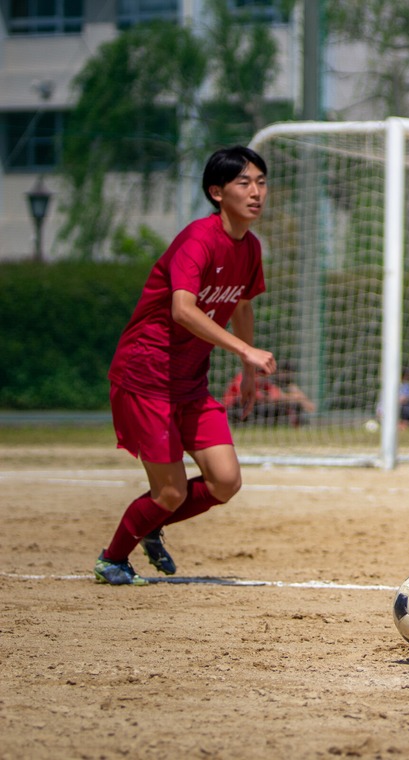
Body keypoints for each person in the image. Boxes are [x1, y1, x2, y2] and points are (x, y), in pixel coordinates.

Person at [95, 146, 274, 586]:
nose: (256, 192)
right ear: (216, 192)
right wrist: (244, 352)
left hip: (189, 384)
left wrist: (247, 372)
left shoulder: (250, 247)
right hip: (146, 377)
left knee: (226, 481)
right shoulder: (198, 239)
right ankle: (112, 560)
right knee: (171, 490)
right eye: (244, 183)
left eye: (262, 182)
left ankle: (154, 518)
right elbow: (182, 310)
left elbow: (243, 308)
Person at [223, 360, 315, 427]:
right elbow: (250, 397)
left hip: (254, 408)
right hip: (234, 408)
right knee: (252, 405)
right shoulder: (243, 378)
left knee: (277, 407)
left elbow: (276, 395)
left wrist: (297, 397)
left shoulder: (265, 382)